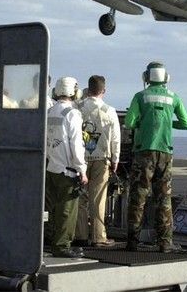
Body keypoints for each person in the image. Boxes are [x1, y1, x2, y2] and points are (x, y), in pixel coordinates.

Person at [124, 61, 187, 253]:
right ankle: (165, 243)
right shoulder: (174, 97)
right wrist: (168, 124)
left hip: (144, 152)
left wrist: (143, 123)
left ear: (146, 77)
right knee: (163, 199)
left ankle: (132, 242)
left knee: (138, 197)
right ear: (166, 78)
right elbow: (186, 124)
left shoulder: (140, 96)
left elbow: (129, 123)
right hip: (165, 153)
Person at [75, 75, 121, 247]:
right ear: (104, 90)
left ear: (88, 89)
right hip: (101, 158)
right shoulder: (109, 110)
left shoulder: (77, 108)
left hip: (80, 158)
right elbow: (115, 138)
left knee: (80, 197)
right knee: (98, 199)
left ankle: (80, 235)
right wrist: (115, 158)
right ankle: (98, 237)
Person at [45, 76, 88, 258]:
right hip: (67, 171)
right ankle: (62, 246)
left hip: (51, 168)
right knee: (67, 211)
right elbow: (76, 145)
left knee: (53, 209)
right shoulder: (72, 114)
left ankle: (52, 242)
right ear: (74, 92)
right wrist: (82, 170)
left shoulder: (49, 111)